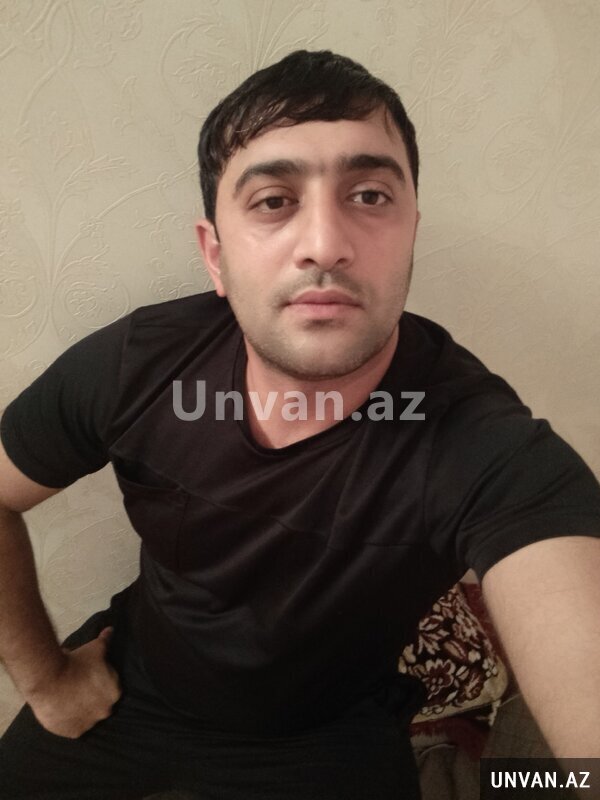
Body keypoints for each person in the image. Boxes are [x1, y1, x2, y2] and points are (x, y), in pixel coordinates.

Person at [0, 49, 598, 800]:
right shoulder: (138, 366)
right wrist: (46, 680)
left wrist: (512, 783)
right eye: (273, 200)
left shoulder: (485, 446)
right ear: (215, 255)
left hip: (328, 741)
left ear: (410, 231)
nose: (325, 243)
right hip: (125, 694)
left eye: (370, 195)